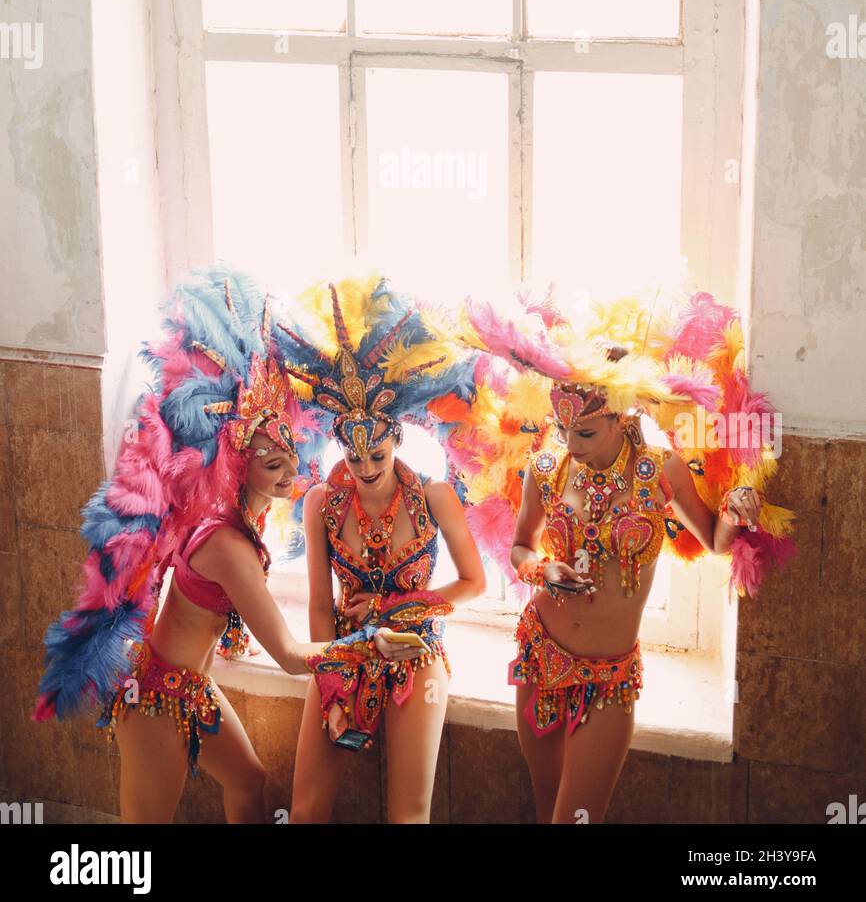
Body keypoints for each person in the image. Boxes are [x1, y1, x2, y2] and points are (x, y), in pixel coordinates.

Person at [33, 267, 419, 824]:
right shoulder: (230, 548)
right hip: (156, 700)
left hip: (189, 687)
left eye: (290, 457)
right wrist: (367, 643)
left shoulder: (237, 526)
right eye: (271, 465)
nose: (290, 473)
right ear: (240, 466)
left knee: (249, 781)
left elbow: (213, 610)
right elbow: (290, 658)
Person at [438, 288, 796, 824]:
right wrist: (541, 568)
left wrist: (736, 509)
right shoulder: (548, 468)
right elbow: (518, 548)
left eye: (584, 431)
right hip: (540, 655)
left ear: (622, 418)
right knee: (545, 806)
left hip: (608, 680)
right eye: (563, 429)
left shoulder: (660, 472)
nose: (571, 442)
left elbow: (714, 542)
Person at [275, 276, 487, 824]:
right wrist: (332, 678)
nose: (366, 470)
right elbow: (320, 606)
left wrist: (402, 609)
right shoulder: (321, 501)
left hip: (417, 650)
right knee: (304, 812)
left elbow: (474, 583)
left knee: (408, 816)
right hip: (343, 649)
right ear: (340, 444)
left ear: (397, 437)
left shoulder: (435, 496)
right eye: (354, 457)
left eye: (379, 457)